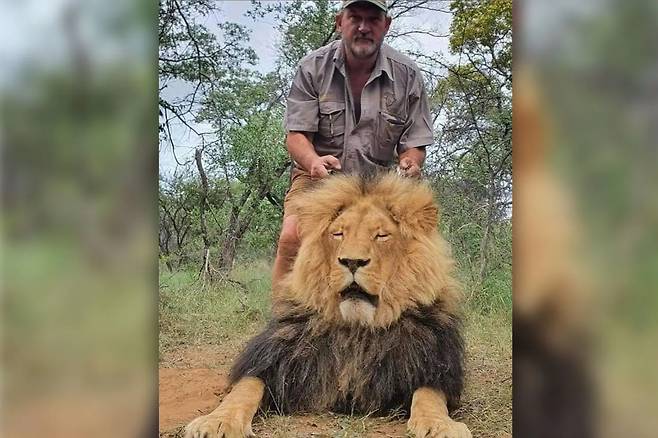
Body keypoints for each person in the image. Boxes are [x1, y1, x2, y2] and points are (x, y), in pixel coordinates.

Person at [272, 0, 434, 289]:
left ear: (386, 25)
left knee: (419, 237)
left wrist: (411, 163)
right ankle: (283, 321)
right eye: (355, 17)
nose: (363, 27)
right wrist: (313, 162)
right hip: (320, 180)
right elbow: (296, 137)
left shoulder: (407, 74)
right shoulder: (312, 67)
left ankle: (410, 310)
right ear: (339, 22)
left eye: (373, 19)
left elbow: (415, 143)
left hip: (379, 184)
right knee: (291, 236)